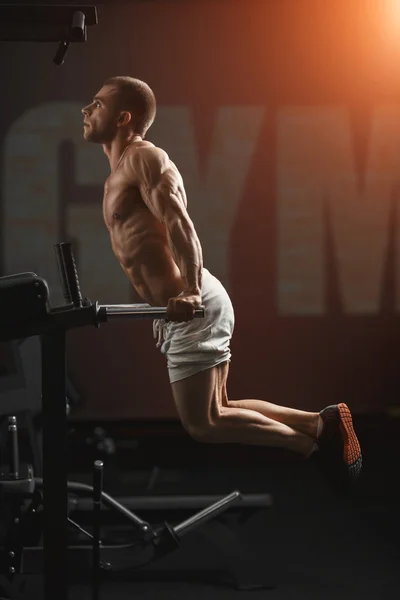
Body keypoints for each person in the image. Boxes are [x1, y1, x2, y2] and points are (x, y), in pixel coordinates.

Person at [81, 76, 362, 487]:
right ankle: (321, 422)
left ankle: (313, 450)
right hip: (183, 306)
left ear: (123, 117)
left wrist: (191, 290)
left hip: (194, 301)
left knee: (205, 423)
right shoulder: (118, 173)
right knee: (221, 406)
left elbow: (180, 225)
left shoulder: (145, 158)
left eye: (97, 104)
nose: (86, 111)